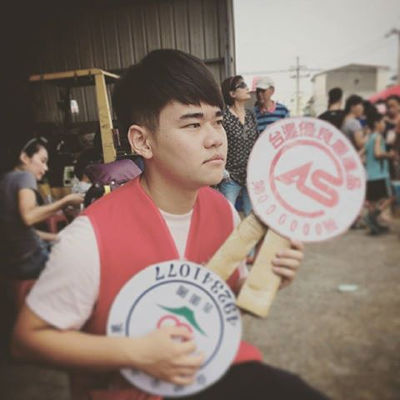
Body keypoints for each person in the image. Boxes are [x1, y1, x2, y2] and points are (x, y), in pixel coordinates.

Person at [12, 50, 327, 400]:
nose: (215, 138)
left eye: (217, 121)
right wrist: (136, 353)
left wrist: (266, 279)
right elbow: (27, 340)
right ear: (142, 141)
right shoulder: (89, 237)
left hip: (211, 368)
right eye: (193, 124)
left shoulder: (223, 212)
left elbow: (221, 301)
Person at [0, 138, 83, 280]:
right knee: (83, 261)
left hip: (13, 262)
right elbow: (28, 217)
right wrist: (65, 201)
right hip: (32, 259)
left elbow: (20, 230)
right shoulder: (25, 176)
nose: (46, 168)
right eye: (42, 161)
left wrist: (58, 237)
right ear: (25, 158)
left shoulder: (6, 180)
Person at [219, 75, 258, 217]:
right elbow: (218, 143)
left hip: (251, 175)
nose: (247, 88)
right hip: (230, 176)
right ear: (232, 94)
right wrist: (222, 170)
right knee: (228, 216)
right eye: (242, 85)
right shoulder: (224, 117)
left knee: (251, 218)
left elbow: (257, 142)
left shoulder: (251, 115)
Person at [364, 111, 397, 235]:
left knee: (373, 201)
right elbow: (377, 153)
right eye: (382, 122)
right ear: (376, 123)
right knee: (392, 196)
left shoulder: (369, 137)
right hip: (380, 174)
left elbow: (363, 154)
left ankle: (374, 226)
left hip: (370, 175)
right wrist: (389, 154)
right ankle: (373, 216)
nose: (384, 124)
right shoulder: (378, 137)